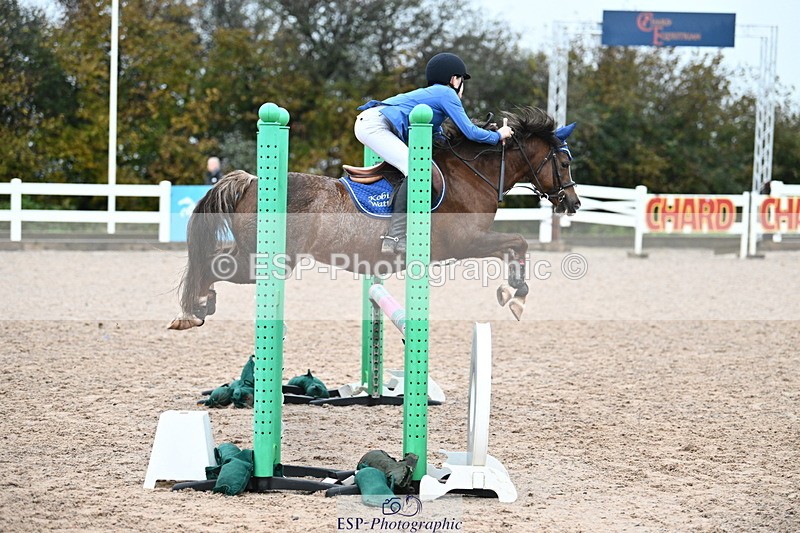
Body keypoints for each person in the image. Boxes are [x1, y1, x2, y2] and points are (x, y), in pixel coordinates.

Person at [354, 52, 514, 254]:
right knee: (415, 170)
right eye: (462, 80)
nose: (462, 86)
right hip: (374, 125)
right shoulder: (447, 94)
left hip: (372, 122)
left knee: (414, 167)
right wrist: (498, 135)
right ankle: (394, 235)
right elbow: (470, 131)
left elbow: (440, 138)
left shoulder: (433, 96)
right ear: (454, 79)